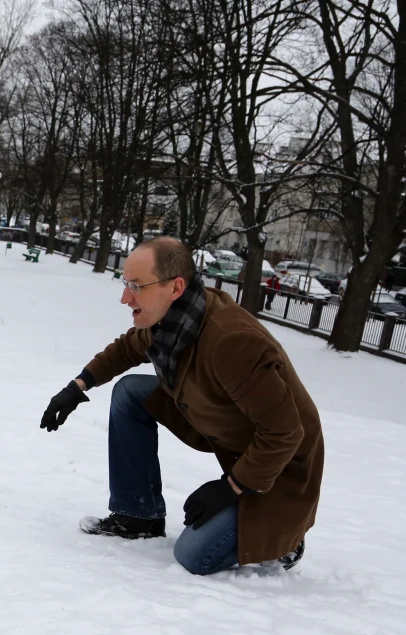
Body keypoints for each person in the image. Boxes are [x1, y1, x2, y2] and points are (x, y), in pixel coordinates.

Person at [40, 237, 323, 575]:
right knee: (130, 391)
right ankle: (138, 516)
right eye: (124, 284)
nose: (125, 298)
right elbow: (127, 348)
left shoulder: (232, 342)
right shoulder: (171, 320)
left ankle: (284, 538)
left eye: (136, 286)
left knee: (194, 555)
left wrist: (230, 487)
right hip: (222, 424)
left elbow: (285, 433)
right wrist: (77, 386)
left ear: (175, 287)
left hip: (281, 465)